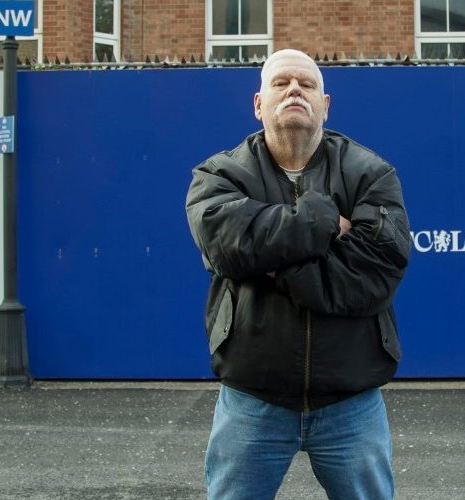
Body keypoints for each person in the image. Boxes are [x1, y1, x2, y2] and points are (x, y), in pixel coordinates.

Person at [185, 48, 411, 499]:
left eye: (307, 84)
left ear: (325, 105)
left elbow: (373, 273)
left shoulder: (370, 174)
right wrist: (325, 220)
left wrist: (269, 259)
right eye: (281, 82)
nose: (294, 90)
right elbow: (228, 245)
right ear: (258, 103)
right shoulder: (220, 174)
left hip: (351, 401)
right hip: (253, 399)